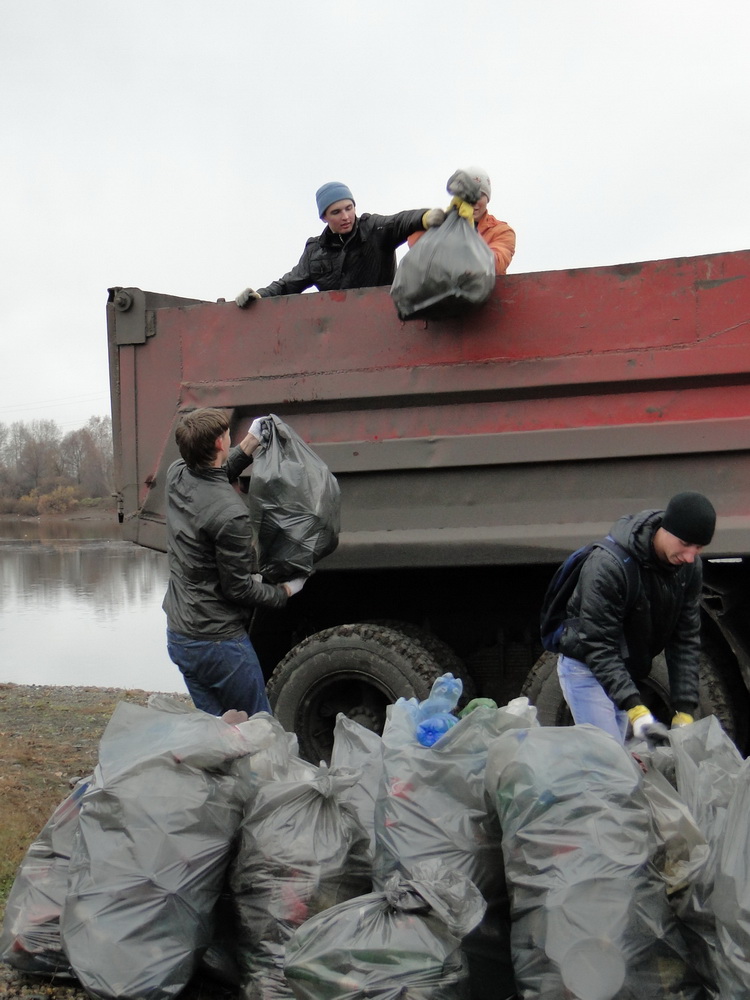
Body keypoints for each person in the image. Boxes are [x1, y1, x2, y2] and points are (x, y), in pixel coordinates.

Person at [163, 408, 305, 717]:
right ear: (218, 444)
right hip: (218, 643)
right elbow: (238, 589)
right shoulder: (231, 514)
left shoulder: (176, 474)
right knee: (257, 727)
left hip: (180, 636)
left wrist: (249, 445)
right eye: (228, 435)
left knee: (219, 736)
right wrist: (283, 593)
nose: (231, 438)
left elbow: (210, 477)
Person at [556, 491, 717, 745]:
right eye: (685, 544)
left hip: (624, 669)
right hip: (586, 667)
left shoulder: (689, 567)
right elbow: (598, 645)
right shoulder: (608, 566)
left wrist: (684, 709)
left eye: (698, 548)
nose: (689, 556)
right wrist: (636, 708)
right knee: (609, 765)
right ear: (666, 529)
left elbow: (685, 638)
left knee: (617, 763)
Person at [235, 181, 446, 304]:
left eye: (349, 208)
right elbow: (289, 284)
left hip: (383, 316)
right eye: (336, 212)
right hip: (340, 330)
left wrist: (426, 217)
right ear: (324, 218)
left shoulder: (373, 229)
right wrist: (260, 295)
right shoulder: (315, 252)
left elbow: (400, 221)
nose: (345, 216)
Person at [407, 166, 516, 275]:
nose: (474, 201)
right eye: (466, 196)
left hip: (485, 290)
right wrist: (425, 221)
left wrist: (469, 231)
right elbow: (414, 246)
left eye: (480, 195)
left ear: (488, 198)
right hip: (443, 289)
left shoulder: (502, 231)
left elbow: (495, 265)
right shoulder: (444, 224)